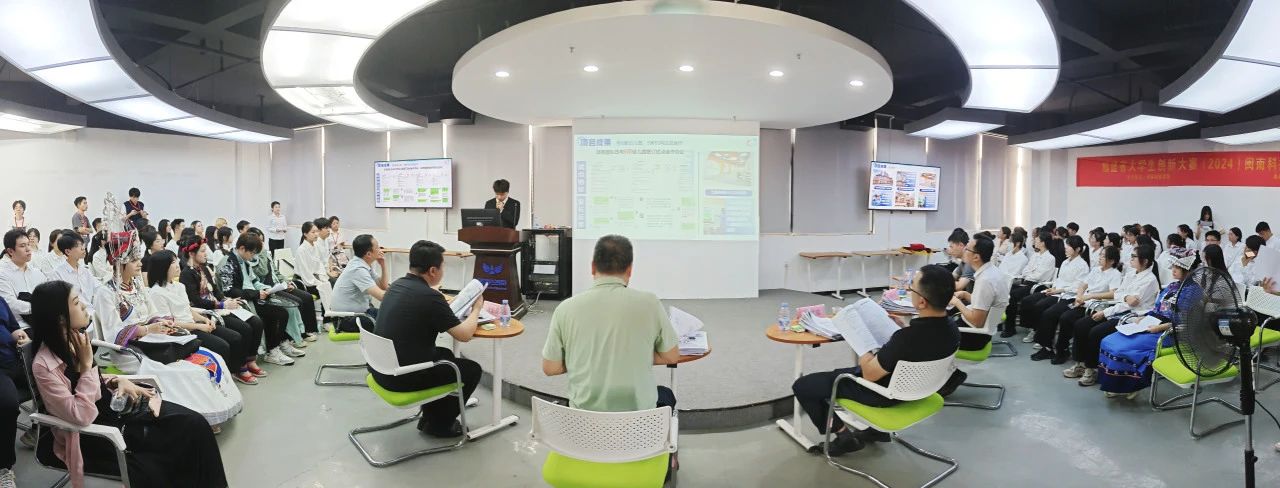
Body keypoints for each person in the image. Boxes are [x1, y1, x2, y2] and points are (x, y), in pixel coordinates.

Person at [28, 280, 228, 488]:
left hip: (113, 410)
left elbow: (91, 381)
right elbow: (81, 415)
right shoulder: (44, 366)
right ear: (61, 318)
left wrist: (117, 380)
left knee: (195, 424)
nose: (85, 306)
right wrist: (87, 366)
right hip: (94, 434)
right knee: (172, 448)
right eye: (77, 303)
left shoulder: (75, 340)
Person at [92, 193, 243, 428]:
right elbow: (114, 334)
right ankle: (195, 419)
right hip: (131, 350)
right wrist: (147, 329)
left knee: (211, 357)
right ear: (119, 262)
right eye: (134, 259)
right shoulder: (106, 292)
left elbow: (154, 313)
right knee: (190, 371)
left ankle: (211, 410)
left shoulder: (137, 285)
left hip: (155, 338)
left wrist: (162, 323)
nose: (140, 263)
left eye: (139, 258)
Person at [792, 265, 959, 456]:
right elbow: (921, 347)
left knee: (804, 386)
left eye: (911, 288)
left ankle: (844, 436)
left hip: (883, 392)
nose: (909, 290)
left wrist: (862, 343)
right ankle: (877, 432)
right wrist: (901, 331)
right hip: (921, 388)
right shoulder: (952, 328)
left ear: (921, 302)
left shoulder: (907, 339)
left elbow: (870, 374)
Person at [542, 235, 679, 415]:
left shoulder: (565, 309)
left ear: (592, 267)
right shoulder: (650, 303)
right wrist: (633, 354)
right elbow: (672, 356)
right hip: (638, 421)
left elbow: (550, 368)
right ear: (630, 270)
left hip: (585, 420)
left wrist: (588, 356)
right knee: (666, 395)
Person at [372, 240, 484, 437]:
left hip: (380, 368)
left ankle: (431, 416)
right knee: (471, 370)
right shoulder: (429, 297)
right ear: (433, 270)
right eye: (442, 267)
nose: (443, 271)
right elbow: (465, 335)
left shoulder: (397, 285)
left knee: (445, 354)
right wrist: (476, 309)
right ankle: (439, 425)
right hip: (401, 377)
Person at [1097, 250, 1202, 398]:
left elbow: (1185, 322)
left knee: (1122, 348)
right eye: (1173, 267)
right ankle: (1114, 384)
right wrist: (1144, 317)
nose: (1173, 270)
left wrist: (1160, 327)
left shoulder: (1194, 292)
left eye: (1177, 268)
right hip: (1153, 323)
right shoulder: (1172, 286)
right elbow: (1157, 308)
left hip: (1171, 333)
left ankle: (1130, 385)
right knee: (1108, 341)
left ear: (1189, 270)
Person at [144, 250, 256, 384]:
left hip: (195, 324)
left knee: (236, 337)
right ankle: (220, 381)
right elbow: (170, 323)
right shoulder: (156, 293)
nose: (178, 264)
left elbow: (187, 308)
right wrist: (199, 326)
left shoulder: (179, 286)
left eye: (176, 260)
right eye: (173, 262)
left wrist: (204, 319)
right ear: (163, 267)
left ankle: (234, 371)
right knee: (222, 346)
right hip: (182, 332)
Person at [1064, 245, 1162, 386]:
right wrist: (1126, 296)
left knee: (1095, 332)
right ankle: (1079, 364)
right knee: (1081, 325)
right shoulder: (1131, 274)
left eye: (1134, 256)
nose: (1131, 259)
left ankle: (1091, 370)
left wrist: (1106, 311)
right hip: (1117, 310)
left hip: (1131, 317)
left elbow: (1131, 305)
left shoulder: (1150, 280)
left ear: (1145, 261)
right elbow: (1118, 294)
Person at [180, 234, 267, 384]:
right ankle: (239, 367)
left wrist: (226, 300)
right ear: (192, 254)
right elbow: (196, 301)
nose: (206, 254)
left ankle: (250, 359)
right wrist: (221, 305)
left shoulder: (204, 268)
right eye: (202, 251)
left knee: (256, 322)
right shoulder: (186, 274)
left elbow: (215, 290)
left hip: (219, 307)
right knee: (244, 329)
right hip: (208, 312)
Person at [1034, 246, 1124, 365]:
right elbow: (1082, 285)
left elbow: (1112, 294)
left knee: (1067, 318)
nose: (1100, 258)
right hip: (1083, 302)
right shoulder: (1096, 270)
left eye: (1103, 256)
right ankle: (1051, 348)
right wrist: (1079, 296)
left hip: (1095, 306)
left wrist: (1090, 296)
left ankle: (1062, 351)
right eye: (1100, 255)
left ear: (1112, 261)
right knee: (1058, 314)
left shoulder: (1115, 274)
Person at [217, 233, 297, 365]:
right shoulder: (227, 263)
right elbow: (229, 290)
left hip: (251, 296)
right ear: (242, 248)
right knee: (277, 314)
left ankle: (277, 346)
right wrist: (255, 294)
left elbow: (253, 281)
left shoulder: (244, 261)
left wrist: (266, 288)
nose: (253, 256)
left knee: (282, 312)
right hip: (239, 300)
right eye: (252, 253)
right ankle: (271, 350)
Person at [244, 227, 318, 344]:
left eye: (263, 241)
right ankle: (295, 336)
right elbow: (262, 272)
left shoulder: (266, 253)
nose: (262, 244)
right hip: (269, 289)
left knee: (307, 297)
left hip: (279, 285)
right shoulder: (252, 258)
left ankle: (307, 330)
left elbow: (276, 271)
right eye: (259, 242)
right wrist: (262, 253)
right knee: (296, 302)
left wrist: (286, 282)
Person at [1020, 235, 1091, 349]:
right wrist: (1053, 288)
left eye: (1069, 246)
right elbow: (1059, 279)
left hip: (1068, 295)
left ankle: (1045, 342)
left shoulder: (1082, 265)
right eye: (1066, 245)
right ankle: (1036, 331)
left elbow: (1077, 286)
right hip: (1056, 292)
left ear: (1077, 249)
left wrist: (1058, 290)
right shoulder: (1065, 262)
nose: (1066, 248)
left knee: (1046, 310)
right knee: (1032, 302)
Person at [0, 286, 30, 486]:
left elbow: (13, 327)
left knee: (61, 377)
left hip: (16, 360)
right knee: (7, 405)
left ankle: (40, 432)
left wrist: (20, 335)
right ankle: (4, 466)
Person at [1002, 231, 1055, 338]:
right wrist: (1029, 274)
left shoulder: (1050, 258)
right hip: (1028, 283)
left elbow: (1039, 276)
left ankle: (1010, 328)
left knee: (1013, 295)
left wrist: (1029, 274)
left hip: (1039, 286)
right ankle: (1007, 325)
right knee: (1007, 291)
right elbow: (1025, 270)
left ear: (1043, 243)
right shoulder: (1035, 255)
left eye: (1037, 240)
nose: (1034, 241)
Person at [330, 234, 388, 332]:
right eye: (377, 247)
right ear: (368, 254)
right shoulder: (357, 269)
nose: (380, 250)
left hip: (358, 313)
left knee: (389, 318)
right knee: (387, 325)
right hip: (345, 319)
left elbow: (383, 286)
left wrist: (383, 265)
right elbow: (381, 296)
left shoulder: (362, 264)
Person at [0, 229, 48, 328]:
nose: (28, 249)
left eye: (28, 244)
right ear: (10, 251)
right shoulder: (3, 273)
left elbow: (48, 295)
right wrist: (38, 307)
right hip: (20, 327)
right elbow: (9, 303)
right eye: (22, 246)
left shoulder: (36, 272)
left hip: (43, 321)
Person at [45, 233, 100, 317]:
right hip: (75, 318)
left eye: (82, 244)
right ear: (68, 251)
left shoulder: (85, 271)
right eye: (78, 246)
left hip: (91, 314)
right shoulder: (57, 274)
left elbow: (98, 287)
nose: (83, 248)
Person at [295, 221, 335, 317]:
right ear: (305, 234)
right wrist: (319, 282)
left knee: (333, 283)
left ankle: (331, 316)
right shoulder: (301, 250)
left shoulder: (315, 246)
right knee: (326, 287)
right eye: (313, 232)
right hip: (305, 281)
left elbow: (319, 266)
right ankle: (327, 318)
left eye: (317, 231)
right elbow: (305, 273)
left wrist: (324, 278)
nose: (316, 234)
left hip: (316, 277)